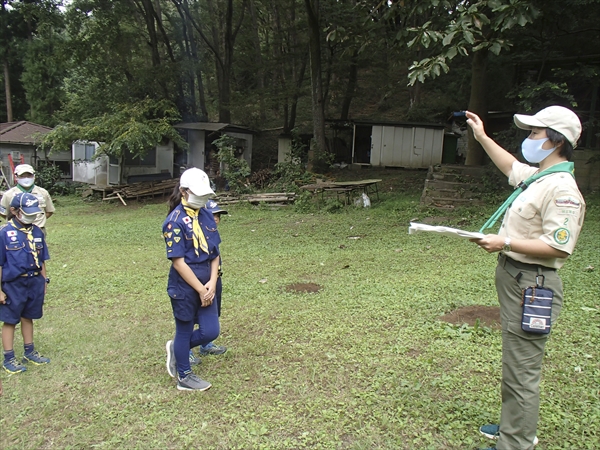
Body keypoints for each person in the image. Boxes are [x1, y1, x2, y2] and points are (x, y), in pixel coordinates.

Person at [466, 106, 586, 450]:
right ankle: (512, 426)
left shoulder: (562, 189)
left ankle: (516, 442)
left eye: (535, 133)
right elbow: (509, 166)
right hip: (515, 277)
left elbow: (558, 246)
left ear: (556, 140)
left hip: (533, 285)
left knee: (522, 369)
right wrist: (482, 137)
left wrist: (504, 241)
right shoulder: (540, 177)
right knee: (514, 359)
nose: (529, 139)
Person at [163, 168, 221, 391]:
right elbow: (178, 262)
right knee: (185, 329)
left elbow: (215, 253)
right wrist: (199, 289)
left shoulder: (206, 214)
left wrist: (212, 283)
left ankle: (177, 349)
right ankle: (184, 376)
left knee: (210, 331)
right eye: (197, 193)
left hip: (208, 283)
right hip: (185, 287)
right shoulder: (174, 222)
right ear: (183, 192)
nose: (202, 198)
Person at [0, 193, 51, 374]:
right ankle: (9, 358)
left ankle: (29, 351)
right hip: (14, 284)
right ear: (14, 211)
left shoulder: (36, 231)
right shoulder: (5, 234)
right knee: (10, 320)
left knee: (28, 316)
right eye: (26, 212)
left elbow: (42, 259)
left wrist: (44, 280)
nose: (31, 216)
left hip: (34, 281)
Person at [197, 200, 228, 357]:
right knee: (192, 314)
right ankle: (186, 348)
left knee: (212, 312)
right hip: (201, 280)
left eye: (218, 215)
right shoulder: (196, 235)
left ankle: (205, 344)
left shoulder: (213, 233)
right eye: (212, 215)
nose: (216, 219)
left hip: (215, 280)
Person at [0, 164, 55, 233]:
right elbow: (3, 213)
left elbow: (49, 211)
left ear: (34, 176)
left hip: (38, 229)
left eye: (29, 175)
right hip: (16, 230)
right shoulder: (8, 194)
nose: (26, 178)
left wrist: (36, 221)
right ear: (16, 177)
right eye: (22, 176)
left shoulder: (43, 192)